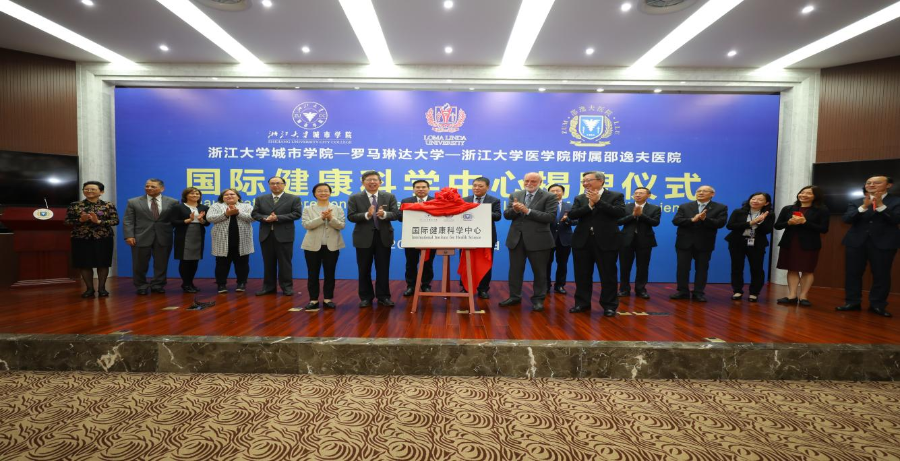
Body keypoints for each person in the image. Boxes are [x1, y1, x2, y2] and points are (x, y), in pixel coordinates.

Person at [837, 176, 900, 317]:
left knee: (881, 275)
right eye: (868, 183)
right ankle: (852, 302)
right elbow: (846, 219)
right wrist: (864, 207)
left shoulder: (896, 201)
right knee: (853, 273)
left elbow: (896, 219)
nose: (871, 185)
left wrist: (881, 206)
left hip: (884, 242)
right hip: (856, 242)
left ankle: (877, 304)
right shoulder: (856, 202)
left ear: (888, 185)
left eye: (877, 182)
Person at [569, 171, 626, 316]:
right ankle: (582, 303)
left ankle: (609, 306)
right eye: (583, 181)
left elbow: (620, 213)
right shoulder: (580, 198)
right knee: (582, 275)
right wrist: (589, 205)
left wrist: (599, 202)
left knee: (608, 275)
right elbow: (572, 215)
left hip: (607, 241)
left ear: (600, 181)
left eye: (588, 180)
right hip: (582, 241)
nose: (585, 183)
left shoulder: (615, 196)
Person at [500, 172, 558, 312]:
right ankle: (514, 296)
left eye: (533, 181)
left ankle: (538, 299)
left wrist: (528, 211)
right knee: (515, 271)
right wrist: (514, 210)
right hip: (516, 239)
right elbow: (506, 215)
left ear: (540, 182)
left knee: (540, 272)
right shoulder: (516, 195)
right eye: (526, 181)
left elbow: (550, 217)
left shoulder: (549, 196)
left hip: (539, 240)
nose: (529, 184)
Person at [347, 171, 399, 308]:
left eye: (375, 180)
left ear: (380, 182)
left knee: (383, 268)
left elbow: (395, 214)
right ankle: (366, 297)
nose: (372, 182)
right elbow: (351, 216)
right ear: (363, 182)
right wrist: (367, 214)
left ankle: (384, 296)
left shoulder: (389, 196)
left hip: (383, 237)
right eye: (369, 180)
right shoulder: (355, 197)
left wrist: (384, 214)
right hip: (363, 237)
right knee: (364, 269)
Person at [670, 185, 728, 303]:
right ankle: (682, 291)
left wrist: (704, 219)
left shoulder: (720, 207)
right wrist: (692, 219)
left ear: (712, 194)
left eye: (704, 191)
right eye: (698, 191)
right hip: (684, 242)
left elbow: (720, 223)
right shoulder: (685, 206)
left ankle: (698, 293)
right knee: (682, 268)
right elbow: (676, 221)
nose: (701, 193)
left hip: (704, 243)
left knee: (702, 269)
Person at [773, 185, 829, 306]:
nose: (803, 195)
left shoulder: (822, 210)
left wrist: (805, 222)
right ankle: (792, 295)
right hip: (790, 242)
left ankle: (803, 296)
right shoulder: (788, 208)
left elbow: (824, 229)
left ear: (815, 196)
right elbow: (777, 226)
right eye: (802, 192)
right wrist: (788, 222)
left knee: (807, 270)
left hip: (810, 244)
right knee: (792, 269)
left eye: (808, 193)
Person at [65, 181, 119, 298]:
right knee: (84, 264)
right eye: (86, 189)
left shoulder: (108, 205)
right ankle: (89, 289)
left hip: (103, 238)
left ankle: (102, 289)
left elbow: (115, 221)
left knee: (103, 263)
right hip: (81, 238)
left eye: (93, 189)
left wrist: (99, 221)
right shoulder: (75, 205)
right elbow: (67, 221)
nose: (89, 191)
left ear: (101, 192)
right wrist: (80, 220)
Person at [123, 178, 178, 295]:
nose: (149, 188)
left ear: (162, 189)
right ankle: (141, 286)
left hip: (163, 236)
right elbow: (128, 220)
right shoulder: (133, 202)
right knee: (139, 264)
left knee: (161, 264)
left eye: (153, 186)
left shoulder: (173, 202)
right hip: (140, 236)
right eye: (147, 186)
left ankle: (158, 285)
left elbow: (175, 220)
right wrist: (129, 235)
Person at [251, 176, 302, 296]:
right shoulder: (261, 198)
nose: (275, 185)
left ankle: (287, 287)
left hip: (284, 235)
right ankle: (268, 287)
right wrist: (265, 218)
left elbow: (296, 214)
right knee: (268, 263)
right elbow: (255, 214)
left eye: (278, 183)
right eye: (272, 183)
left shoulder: (293, 198)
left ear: (284, 184)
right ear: (269, 185)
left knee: (285, 263)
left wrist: (277, 218)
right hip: (266, 235)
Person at [301, 183, 346, 310]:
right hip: (312, 246)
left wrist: (330, 217)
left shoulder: (337, 208)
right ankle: (313, 300)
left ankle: (328, 299)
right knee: (312, 273)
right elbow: (306, 225)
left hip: (332, 246)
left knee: (330, 273)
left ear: (330, 193)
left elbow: (341, 225)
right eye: (319, 191)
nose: (323, 193)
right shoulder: (308, 209)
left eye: (326, 191)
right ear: (314, 194)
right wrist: (321, 218)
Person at [725, 192, 774, 302]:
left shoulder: (769, 214)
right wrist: (751, 222)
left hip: (757, 243)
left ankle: (754, 293)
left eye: (760, 199)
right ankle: (737, 291)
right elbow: (730, 226)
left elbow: (767, 230)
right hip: (737, 242)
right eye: (753, 198)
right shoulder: (738, 211)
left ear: (766, 203)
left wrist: (760, 222)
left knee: (757, 268)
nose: (755, 201)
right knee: (737, 267)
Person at [206, 188, 254, 293]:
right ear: (222, 197)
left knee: (242, 264)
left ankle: (241, 283)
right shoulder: (216, 206)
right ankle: (221, 285)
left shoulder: (246, 206)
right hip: (222, 240)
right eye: (226, 195)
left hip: (242, 240)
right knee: (221, 264)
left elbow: (252, 217)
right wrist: (226, 214)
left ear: (238, 197)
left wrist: (238, 213)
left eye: (232, 194)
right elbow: (209, 218)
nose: (229, 196)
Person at [617, 187, 660, 299]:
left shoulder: (655, 208)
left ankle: (640, 290)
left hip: (645, 241)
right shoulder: (625, 207)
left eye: (641, 193)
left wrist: (641, 215)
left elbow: (655, 222)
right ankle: (624, 289)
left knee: (643, 266)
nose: (637, 195)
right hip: (626, 240)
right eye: (636, 193)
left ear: (648, 195)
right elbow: (618, 221)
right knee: (624, 266)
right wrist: (633, 215)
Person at [462, 177, 501, 299]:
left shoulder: (494, 200)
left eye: (480, 186)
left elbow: (498, 216)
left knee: (485, 263)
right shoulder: (465, 200)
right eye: (474, 185)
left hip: (486, 236)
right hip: (466, 236)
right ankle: (465, 287)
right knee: (466, 262)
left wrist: (481, 210)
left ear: (487, 187)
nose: (476, 188)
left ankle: (483, 289)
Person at [399, 180, 435, 296]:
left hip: (430, 236)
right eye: (418, 187)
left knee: (427, 263)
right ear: (414, 189)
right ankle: (411, 286)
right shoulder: (406, 201)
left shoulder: (435, 201)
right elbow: (400, 217)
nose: (421, 189)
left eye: (423, 187)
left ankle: (426, 285)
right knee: (411, 263)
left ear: (428, 189)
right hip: (412, 236)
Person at [170, 187, 209, 293]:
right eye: (192, 193)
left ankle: (190, 283)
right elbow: (173, 222)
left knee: (194, 261)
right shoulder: (178, 207)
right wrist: (188, 220)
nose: (195, 195)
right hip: (184, 235)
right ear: (186, 195)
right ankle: (186, 283)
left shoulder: (204, 207)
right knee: (185, 260)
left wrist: (201, 220)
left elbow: (207, 223)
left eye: (197, 193)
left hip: (198, 235)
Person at [546, 184, 576, 295]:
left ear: (563, 192)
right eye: (552, 191)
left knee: (562, 264)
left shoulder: (570, 206)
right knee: (546, 264)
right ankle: (546, 285)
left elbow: (577, 221)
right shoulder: (545, 206)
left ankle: (560, 285)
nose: (555, 193)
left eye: (558, 191)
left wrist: (567, 220)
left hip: (564, 239)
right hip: (548, 238)